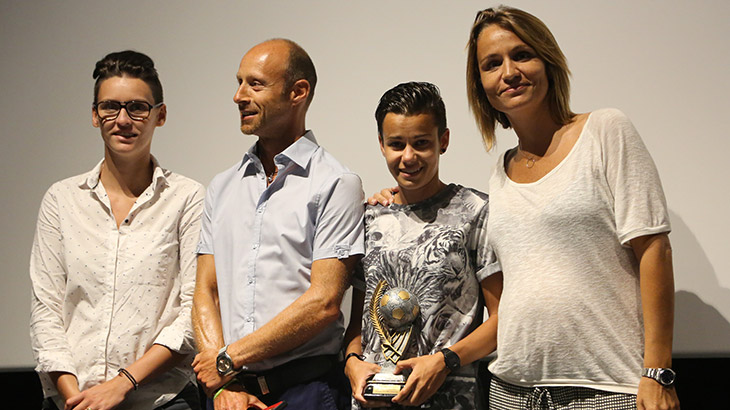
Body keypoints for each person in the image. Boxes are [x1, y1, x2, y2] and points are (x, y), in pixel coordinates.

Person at [465, 6, 680, 410]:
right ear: (481, 86)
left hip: (606, 391)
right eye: (492, 64)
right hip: (511, 392)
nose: (509, 72)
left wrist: (658, 372)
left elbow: (654, 250)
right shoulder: (500, 171)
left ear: (548, 62)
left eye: (522, 55)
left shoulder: (606, 130)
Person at [191, 38, 365, 410]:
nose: (238, 96)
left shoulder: (335, 183)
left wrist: (227, 360)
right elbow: (207, 290)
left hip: (305, 393)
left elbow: (323, 302)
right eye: (239, 82)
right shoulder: (222, 186)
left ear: (298, 92)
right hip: (229, 396)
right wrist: (222, 386)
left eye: (255, 84)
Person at [29, 50, 204, 410]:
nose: (123, 120)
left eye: (137, 108)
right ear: (95, 115)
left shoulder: (187, 198)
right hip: (72, 401)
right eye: (110, 107)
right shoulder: (62, 199)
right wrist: (77, 399)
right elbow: (46, 310)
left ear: (160, 115)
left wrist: (123, 383)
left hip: (161, 401)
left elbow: (193, 311)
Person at [344, 82, 502, 410]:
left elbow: (504, 320)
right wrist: (352, 363)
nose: (408, 157)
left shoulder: (476, 212)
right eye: (396, 144)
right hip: (373, 402)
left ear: (443, 140)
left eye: (421, 143)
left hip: (450, 400)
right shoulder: (368, 218)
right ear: (381, 144)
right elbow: (358, 323)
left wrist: (445, 361)